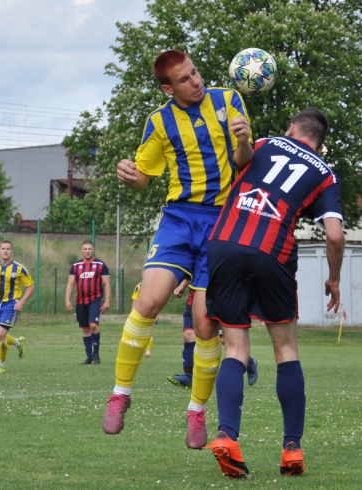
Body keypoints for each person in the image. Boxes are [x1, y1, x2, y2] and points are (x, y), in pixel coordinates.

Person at [103, 49, 254, 450]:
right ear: (168, 88)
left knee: (205, 325)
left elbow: (245, 162)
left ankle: (196, 411)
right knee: (148, 301)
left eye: (196, 73)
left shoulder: (228, 100)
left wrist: (242, 141)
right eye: (185, 80)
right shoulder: (159, 121)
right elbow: (143, 179)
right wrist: (129, 176)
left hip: (223, 221)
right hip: (179, 219)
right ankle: (120, 393)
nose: (196, 81)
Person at [203, 108, 344, 478]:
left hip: (225, 244)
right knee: (285, 349)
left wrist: (244, 139)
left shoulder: (266, 142)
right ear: (319, 141)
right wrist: (334, 278)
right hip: (272, 252)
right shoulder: (326, 173)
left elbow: (242, 159)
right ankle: (292, 449)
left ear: (292, 128)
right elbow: (334, 235)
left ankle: (227, 436)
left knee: (234, 348)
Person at [167, 282, 259, 389]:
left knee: (224, 339)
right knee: (188, 334)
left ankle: (249, 362)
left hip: (216, 294)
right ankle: (189, 376)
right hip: (195, 295)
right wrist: (182, 285)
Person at [0, 240, 34, 374]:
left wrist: (21, 302)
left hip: (11, 305)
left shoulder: (20, 268)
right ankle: (18, 343)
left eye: (8, 249)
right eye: (3, 248)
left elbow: (30, 286)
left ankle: (0, 366)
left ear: (12, 252)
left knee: (0, 336)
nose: (5, 251)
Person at [65, 241, 111, 365]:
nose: (87, 251)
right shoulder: (75, 266)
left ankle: (96, 355)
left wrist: (107, 301)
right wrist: (67, 300)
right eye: (85, 249)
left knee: (93, 325)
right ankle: (89, 357)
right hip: (80, 301)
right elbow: (70, 284)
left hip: (95, 300)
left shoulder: (100, 265)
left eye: (89, 249)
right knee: (85, 329)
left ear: (93, 250)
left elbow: (106, 284)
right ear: (82, 250)